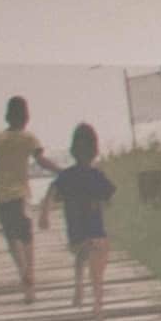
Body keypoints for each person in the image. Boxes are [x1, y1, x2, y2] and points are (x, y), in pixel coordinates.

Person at [0, 94, 46, 288]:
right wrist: (63, 172)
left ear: (7, 116)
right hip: (22, 196)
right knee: (26, 235)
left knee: (12, 237)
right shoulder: (30, 138)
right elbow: (42, 161)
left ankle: (23, 272)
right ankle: (30, 273)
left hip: (3, 197)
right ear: (26, 116)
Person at [50, 122, 120, 309]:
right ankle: (97, 300)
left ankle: (78, 287)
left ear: (73, 150)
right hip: (96, 233)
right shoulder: (97, 175)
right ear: (95, 151)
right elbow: (110, 199)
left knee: (80, 257)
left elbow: (54, 193)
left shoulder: (66, 176)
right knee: (98, 265)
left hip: (76, 236)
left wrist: (44, 214)